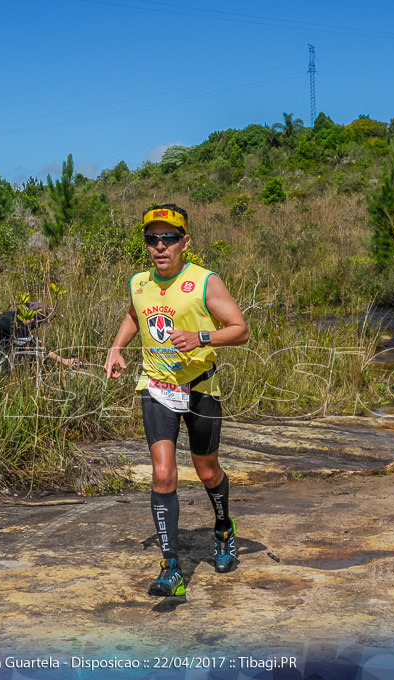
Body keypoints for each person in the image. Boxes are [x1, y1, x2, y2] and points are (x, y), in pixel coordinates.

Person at [104, 203, 250, 597]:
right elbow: (136, 315)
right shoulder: (139, 282)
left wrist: (201, 337)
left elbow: (240, 329)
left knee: (206, 471)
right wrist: (118, 347)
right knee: (164, 472)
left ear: (185, 241)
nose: (160, 246)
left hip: (200, 386)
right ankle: (172, 568)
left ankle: (223, 530)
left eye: (169, 238)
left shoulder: (204, 281)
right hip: (156, 386)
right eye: (152, 239)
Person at [0, 301, 78, 372]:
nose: (38, 326)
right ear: (32, 318)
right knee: (34, 355)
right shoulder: (17, 326)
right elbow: (36, 347)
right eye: (39, 322)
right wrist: (64, 361)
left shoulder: (14, 317)